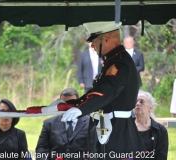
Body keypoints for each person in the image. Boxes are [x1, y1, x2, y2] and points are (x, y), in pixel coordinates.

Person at [26, 21, 146, 160]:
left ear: (106, 38)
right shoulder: (112, 60)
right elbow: (95, 93)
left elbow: (106, 91)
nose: (93, 46)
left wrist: (81, 109)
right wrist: (70, 105)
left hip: (118, 133)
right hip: (108, 128)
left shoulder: (118, 62)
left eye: (94, 41)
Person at [35, 88, 97, 160]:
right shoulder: (49, 124)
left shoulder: (90, 123)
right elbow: (42, 148)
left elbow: (95, 148)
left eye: (71, 103)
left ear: (78, 103)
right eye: (64, 104)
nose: (67, 107)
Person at [134, 90, 168, 159]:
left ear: (150, 108)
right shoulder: (126, 128)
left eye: (141, 101)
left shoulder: (160, 131)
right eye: (136, 101)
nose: (137, 104)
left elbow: (161, 157)